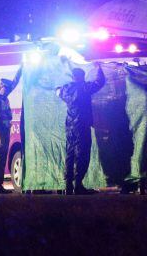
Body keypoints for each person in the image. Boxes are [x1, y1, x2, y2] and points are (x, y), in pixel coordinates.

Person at [58, 62, 106, 195]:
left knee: (70, 154)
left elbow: (58, 91)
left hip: (70, 126)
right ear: (81, 77)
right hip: (82, 125)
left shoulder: (66, 88)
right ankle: (78, 184)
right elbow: (99, 82)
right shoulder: (84, 87)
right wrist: (99, 68)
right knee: (82, 154)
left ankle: (68, 185)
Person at [0, 65, 22, 195]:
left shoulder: (4, 96)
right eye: (5, 88)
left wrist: (21, 69)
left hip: (5, 128)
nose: (7, 90)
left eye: (8, 89)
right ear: (0, 87)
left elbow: (14, 83)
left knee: (3, 157)